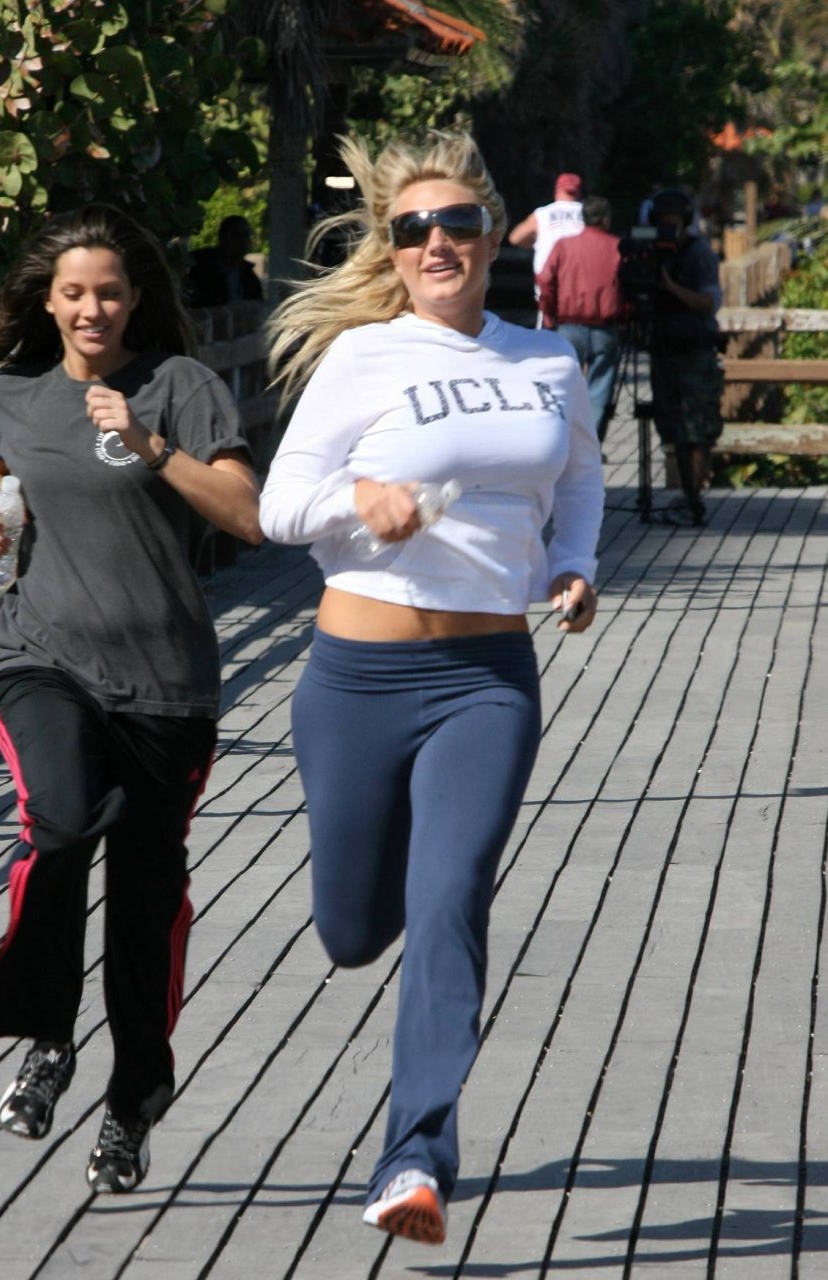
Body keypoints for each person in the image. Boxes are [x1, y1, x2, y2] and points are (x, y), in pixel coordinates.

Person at [260, 132, 604, 1246]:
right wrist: (361, 499)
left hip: (487, 680)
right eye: (415, 229)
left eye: (458, 223)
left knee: (451, 895)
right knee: (353, 929)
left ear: (493, 236)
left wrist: (574, 563)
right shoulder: (362, 358)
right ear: (393, 249)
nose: (438, 242)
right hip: (355, 680)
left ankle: (416, 1156)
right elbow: (278, 507)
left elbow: (581, 478)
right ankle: (374, 916)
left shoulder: (546, 362)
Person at [0, 204, 263, 1194]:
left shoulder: (179, 386)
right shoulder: (14, 391)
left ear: (135, 300)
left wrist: (148, 444)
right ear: (48, 302)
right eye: (74, 293)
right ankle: (47, 1035)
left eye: (110, 292)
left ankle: (134, 1097)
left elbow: (247, 516)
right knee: (57, 821)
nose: (92, 308)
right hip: (42, 656)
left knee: (144, 897)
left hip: (167, 682)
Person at [647, 188, 725, 511]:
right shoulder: (651, 251)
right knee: (670, 423)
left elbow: (709, 302)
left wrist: (671, 287)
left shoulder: (699, 254)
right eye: (662, 223)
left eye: (673, 223)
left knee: (698, 428)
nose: (667, 229)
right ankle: (684, 494)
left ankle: (693, 497)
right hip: (662, 348)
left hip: (694, 349)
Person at [536, 195, 623, 444]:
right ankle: (588, 446)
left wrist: (549, 313)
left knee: (562, 388)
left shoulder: (564, 246)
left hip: (568, 326)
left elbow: (545, 279)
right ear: (605, 219)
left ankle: (560, 441)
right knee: (598, 393)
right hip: (605, 328)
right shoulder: (617, 247)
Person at [507, 172, 585, 310]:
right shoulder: (588, 214)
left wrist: (538, 243)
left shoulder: (542, 214)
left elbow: (515, 237)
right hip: (581, 288)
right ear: (578, 192)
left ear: (557, 190)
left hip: (549, 288)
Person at [187, 214, 264, 306]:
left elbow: (258, 306)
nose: (242, 241)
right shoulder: (201, 265)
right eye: (235, 235)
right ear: (222, 237)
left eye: (246, 236)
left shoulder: (249, 277)